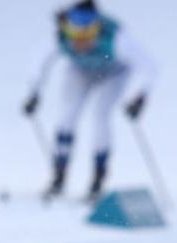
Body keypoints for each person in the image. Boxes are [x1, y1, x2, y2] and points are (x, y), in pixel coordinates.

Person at [22, 0, 159, 200]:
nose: (80, 42)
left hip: (113, 73)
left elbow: (149, 66)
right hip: (80, 71)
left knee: (100, 117)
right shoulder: (60, 35)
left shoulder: (117, 39)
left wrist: (140, 97)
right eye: (75, 35)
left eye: (87, 36)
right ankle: (59, 177)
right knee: (66, 118)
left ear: (97, 29)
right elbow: (39, 60)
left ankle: (97, 181)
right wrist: (34, 92)